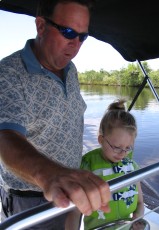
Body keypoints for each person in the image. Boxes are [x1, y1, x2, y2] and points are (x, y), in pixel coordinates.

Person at [0, 0, 111, 229]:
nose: (76, 44)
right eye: (68, 32)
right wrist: (50, 175)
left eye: (83, 37)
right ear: (41, 26)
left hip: (71, 189)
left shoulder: (71, 70)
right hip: (30, 200)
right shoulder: (9, 73)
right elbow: (5, 136)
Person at [69, 99, 145, 230]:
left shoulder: (131, 166)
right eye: (117, 147)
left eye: (128, 148)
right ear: (101, 140)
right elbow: (74, 213)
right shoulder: (87, 166)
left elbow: (140, 202)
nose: (122, 153)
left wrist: (138, 217)